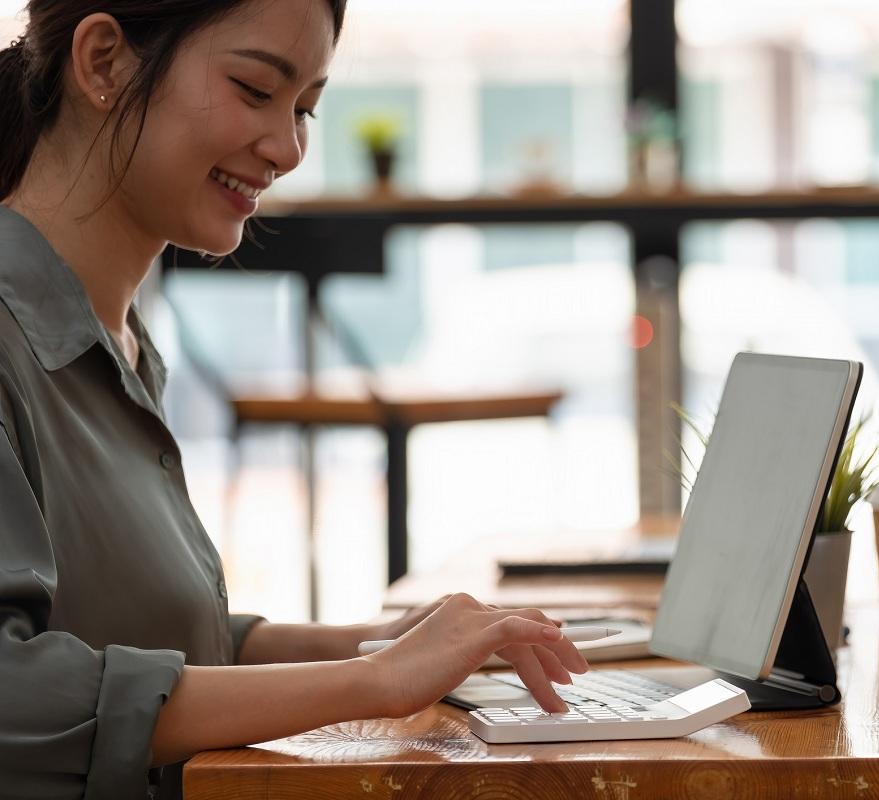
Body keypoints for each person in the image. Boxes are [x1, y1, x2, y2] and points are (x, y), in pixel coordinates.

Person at [0, 2, 588, 797]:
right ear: (103, 62)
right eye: (254, 89)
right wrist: (372, 682)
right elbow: (16, 692)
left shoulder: (121, 346)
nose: (286, 149)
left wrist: (370, 644)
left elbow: (150, 648)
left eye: (305, 108)